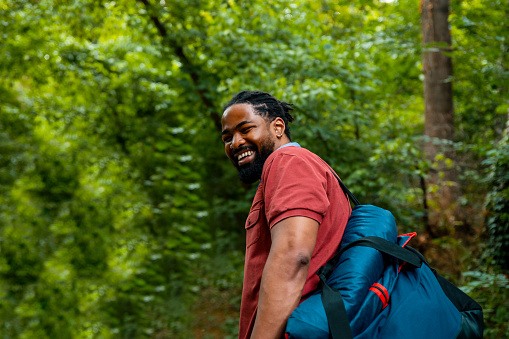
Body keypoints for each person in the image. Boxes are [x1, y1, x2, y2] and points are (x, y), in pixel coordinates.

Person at [221, 91, 351, 339]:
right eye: (227, 137)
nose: (235, 143)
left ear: (278, 127)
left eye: (245, 129)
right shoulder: (301, 165)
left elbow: (293, 256)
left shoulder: (289, 161)